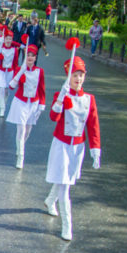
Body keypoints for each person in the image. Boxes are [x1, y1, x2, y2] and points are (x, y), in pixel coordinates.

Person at [43, 56, 101, 241]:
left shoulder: (89, 99)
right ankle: (67, 225)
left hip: (77, 148)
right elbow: (53, 117)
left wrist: (95, 148)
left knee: (64, 179)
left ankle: (50, 200)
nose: (78, 79)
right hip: (61, 145)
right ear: (68, 77)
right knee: (65, 186)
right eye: (75, 75)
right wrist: (60, 98)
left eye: (81, 75)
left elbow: (93, 125)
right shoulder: (62, 95)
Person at [6, 45, 45, 169]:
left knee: (27, 131)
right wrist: (21, 71)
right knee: (21, 129)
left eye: (32, 55)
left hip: (33, 103)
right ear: (25, 57)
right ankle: (21, 156)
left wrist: (42, 104)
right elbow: (11, 86)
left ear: (35, 58)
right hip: (21, 102)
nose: (30, 57)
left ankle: (20, 147)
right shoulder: (19, 69)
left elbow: (41, 89)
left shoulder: (40, 71)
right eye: (28, 55)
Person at [0, 29, 23, 117]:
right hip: (1, 71)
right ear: (4, 39)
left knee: (6, 91)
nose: (8, 41)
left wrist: (15, 76)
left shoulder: (15, 50)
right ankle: (2, 109)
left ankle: (4, 104)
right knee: (1, 89)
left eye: (10, 39)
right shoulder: (0, 49)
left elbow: (15, 64)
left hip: (10, 72)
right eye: (7, 39)